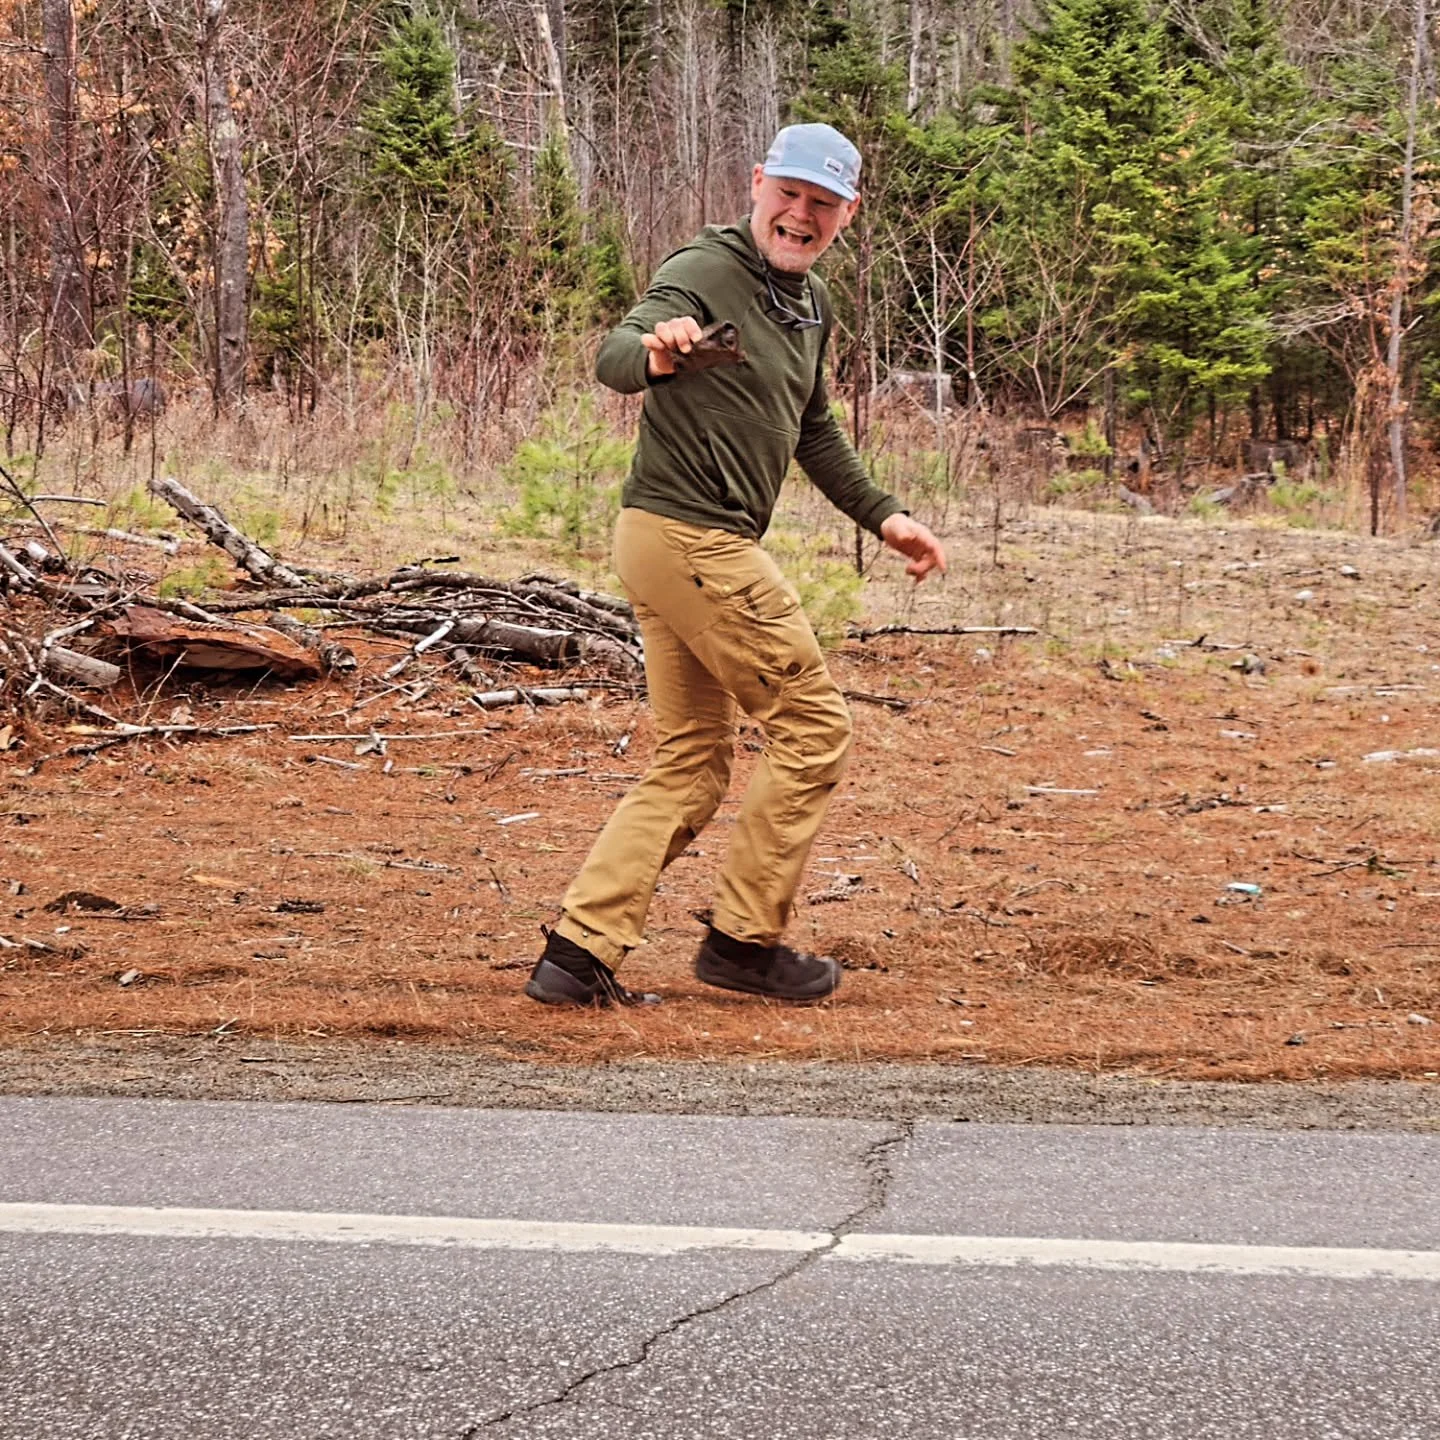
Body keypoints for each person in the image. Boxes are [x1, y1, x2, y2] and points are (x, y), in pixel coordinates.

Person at [525, 122, 946, 1008]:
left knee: (692, 760)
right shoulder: (709, 269)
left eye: (821, 203)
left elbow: (812, 429)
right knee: (814, 730)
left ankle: (576, 955)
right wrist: (656, 347)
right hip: (691, 539)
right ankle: (744, 942)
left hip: (670, 544)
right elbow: (612, 356)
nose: (800, 214)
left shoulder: (810, 304)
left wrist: (888, 519)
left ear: (847, 213)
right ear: (757, 183)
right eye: (787, 193)